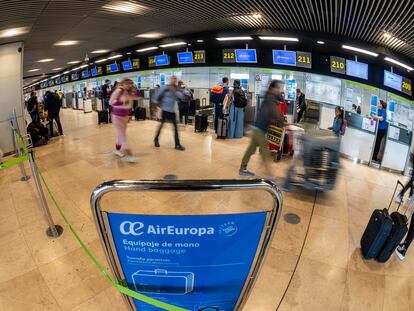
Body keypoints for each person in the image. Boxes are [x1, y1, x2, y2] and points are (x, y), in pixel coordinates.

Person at [239, 80, 285, 176]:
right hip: (259, 129)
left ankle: (242, 168)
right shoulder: (270, 99)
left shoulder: (270, 97)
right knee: (265, 151)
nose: (279, 90)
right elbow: (274, 113)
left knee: (251, 150)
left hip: (257, 128)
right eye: (278, 88)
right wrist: (282, 123)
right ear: (273, 88)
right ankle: (270, 175)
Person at [110, 78, 141, 163]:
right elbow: (111, 102)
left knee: (121, 135)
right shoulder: (118, 91)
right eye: (126, 83)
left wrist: (136, 88)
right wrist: (123, 102)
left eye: (129, 83)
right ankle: (129, 156)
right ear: (122, 84)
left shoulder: (130, 92)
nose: (128, 85)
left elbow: (138, 97)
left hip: (125, 116)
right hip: (116, 116)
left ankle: (117, 151)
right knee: (123, 136)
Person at [154, 76, 185, 151]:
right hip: (165, 110)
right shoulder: (165, 88)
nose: (174, 81)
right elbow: (156, 96)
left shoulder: (177, 88)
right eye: (172, 79)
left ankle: (177, 144)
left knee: (175, 128)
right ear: (170, 80)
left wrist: (174, 91)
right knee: (161, 126)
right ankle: (156, 140)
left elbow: (182, 96)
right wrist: (156, 105)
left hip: (172, 111)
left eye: (175, 80)